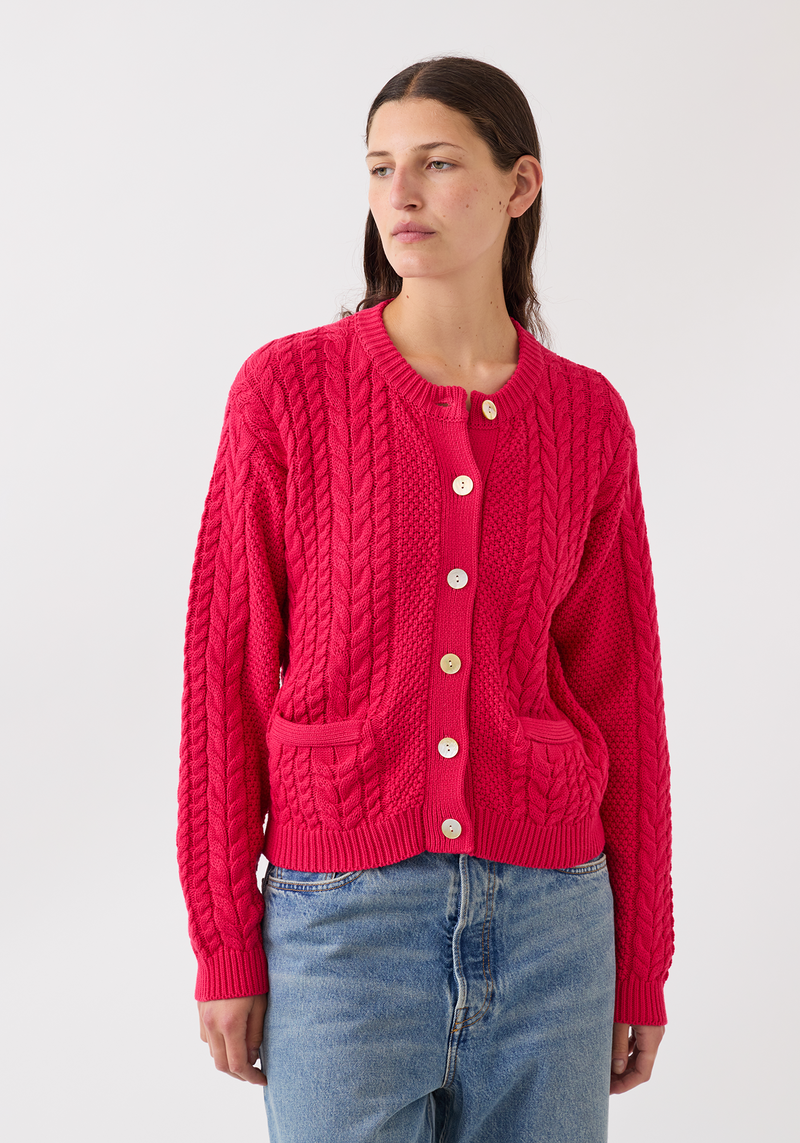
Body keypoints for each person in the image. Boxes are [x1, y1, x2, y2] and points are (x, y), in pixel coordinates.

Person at [177, 54, 673, 1142]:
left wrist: (641, 958)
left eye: (437, 164)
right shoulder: (287, 392)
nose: (399, 193)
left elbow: (622, 693)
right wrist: (224, 939)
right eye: (379, 167)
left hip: (554, 924)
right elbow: (225, 671)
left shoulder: (587, 418)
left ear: (518, 185)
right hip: (341, 924)